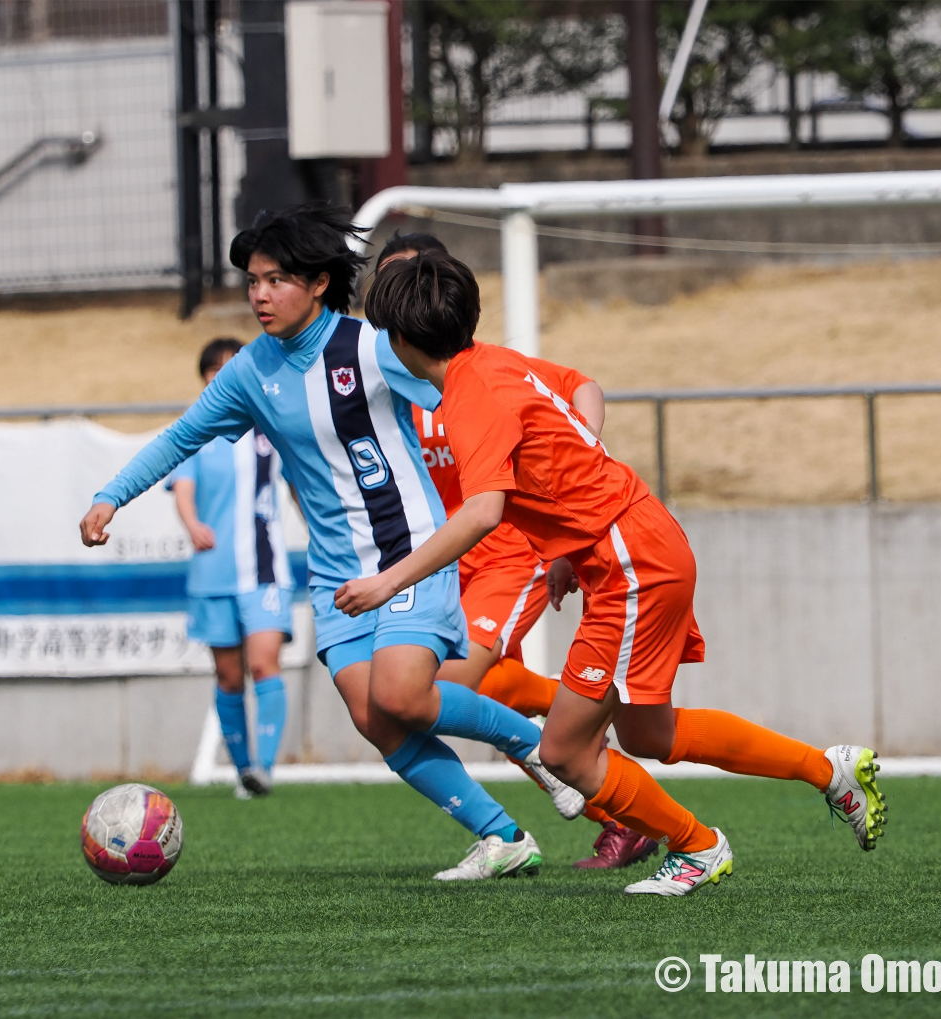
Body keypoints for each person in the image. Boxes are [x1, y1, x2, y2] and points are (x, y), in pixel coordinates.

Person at [340, 249, 887, 896]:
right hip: (637, 543)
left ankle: (697, 846)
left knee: (564, 751)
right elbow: (575, 420)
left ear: (398, 338)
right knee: (650, 732)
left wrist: (389, 581)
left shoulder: (469, 396)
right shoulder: (495, 362)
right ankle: (828, 769)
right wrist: (572, 538)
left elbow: (484, 511)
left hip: (631, 562)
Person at [82, 204, 577, 881]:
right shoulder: (250, 371)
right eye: (252, 281)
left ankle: (541, 745)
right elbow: (179, 437)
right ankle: (501, 835)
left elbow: (470, 396)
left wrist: (552, 511)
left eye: (275, 279)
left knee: (403, 694)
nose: (259, 294)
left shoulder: (374, 345)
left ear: (317, 282)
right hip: (337, 576)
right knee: (379, 718)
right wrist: (111, 495)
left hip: (409, 556)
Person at [377, 231, 658, 871]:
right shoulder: (385, 383)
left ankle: (588, 796)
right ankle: (589, 764)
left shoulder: (480, 368)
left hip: (510, 555)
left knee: (440, 690)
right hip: (446, 563)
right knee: (469, 692)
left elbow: (580, 386)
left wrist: (570, 463)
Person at [167, 337, 292, 798]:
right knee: (229, 677)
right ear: (204, 378)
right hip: (213, 573)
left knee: (264, 664)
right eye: (215, 369)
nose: (224, 376)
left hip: (264, 571)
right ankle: (244, 773)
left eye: (233, 367)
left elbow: (301, 478)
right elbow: (182, 486)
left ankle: (265, 767)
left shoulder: (271, 423)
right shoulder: (197, 428)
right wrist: (193, 522)